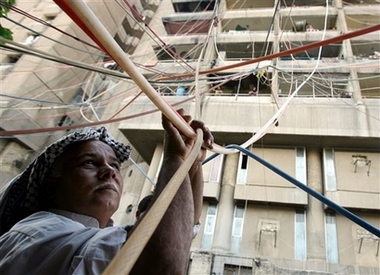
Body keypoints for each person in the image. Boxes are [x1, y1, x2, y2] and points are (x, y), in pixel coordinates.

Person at [0, 108, 214, 275]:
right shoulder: (38, 232)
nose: (109, 172)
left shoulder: (82, 235)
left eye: (115, 165)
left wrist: (192, 164)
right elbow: (161, 262)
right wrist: (174, 157)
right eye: (89, 163)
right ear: (49, 187)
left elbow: (181, 233)